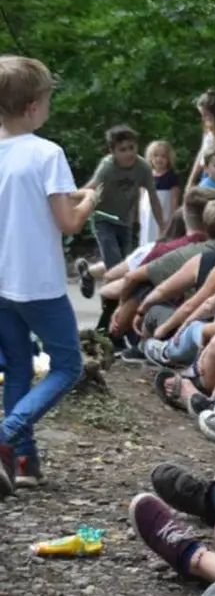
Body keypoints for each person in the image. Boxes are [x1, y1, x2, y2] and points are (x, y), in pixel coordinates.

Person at [0, 56, 98, 494]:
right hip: (37, 282)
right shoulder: (47, 153)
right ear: (32, 107)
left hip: (2, 282)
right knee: (68, 366)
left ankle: (24, 464)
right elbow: (69, 222)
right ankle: (5, 437)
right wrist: (89, 200)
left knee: (18, 367)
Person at [81, 124, 166, 271]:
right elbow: (91, 187)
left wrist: (163, 226)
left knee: (125, 263)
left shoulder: (143, 167)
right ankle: (112, 286)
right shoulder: (108, 166)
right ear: (112, 151)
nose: (129, 153)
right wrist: (71, 206)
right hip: (103, 218)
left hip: (125, 220)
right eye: (123, 150)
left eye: (131, 148)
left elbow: (153, 198)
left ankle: (88, 273)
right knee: (113, 260)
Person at [140, 139, 181, 245]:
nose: (159, 159)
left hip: (164, 213)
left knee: (161, 237)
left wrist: (172, 217)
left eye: (163, 156)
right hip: (148, 214)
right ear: (150, 157)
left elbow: (174, 198)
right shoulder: (146, 175)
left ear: (168, 159)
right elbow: (142, 194)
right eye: (156, 156)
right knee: (147, 235)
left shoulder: (171, 177)